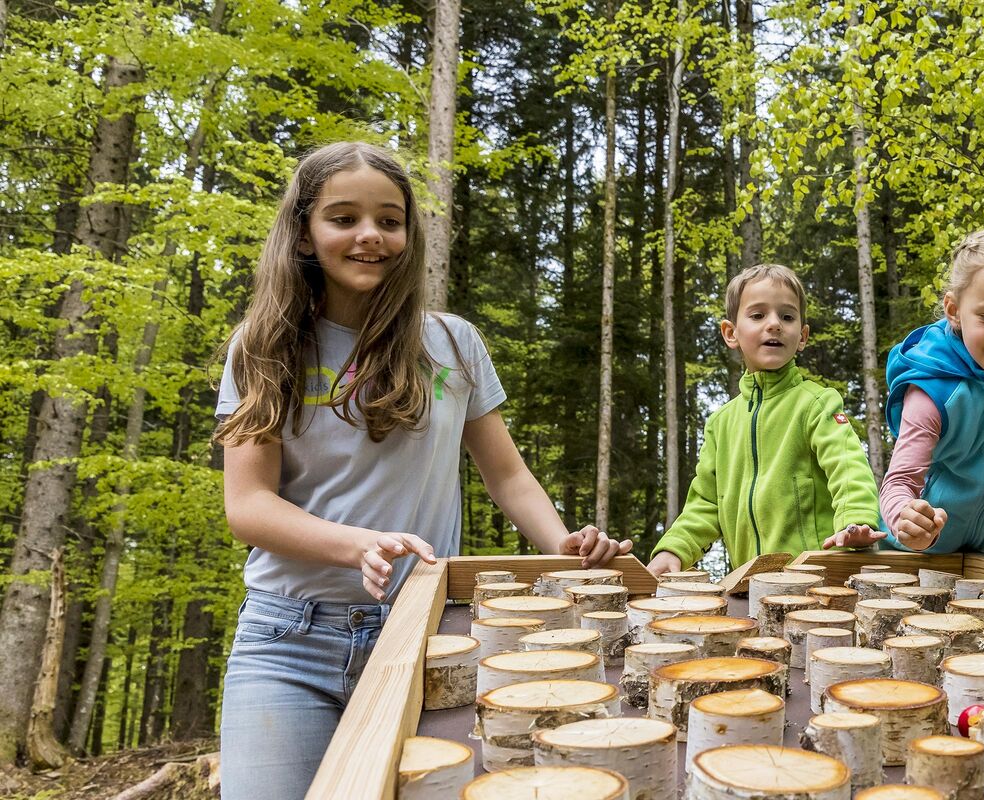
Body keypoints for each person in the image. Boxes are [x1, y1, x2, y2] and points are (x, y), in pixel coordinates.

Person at [214, 141, 629, 800]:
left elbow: (509, 477)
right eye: (344, 218)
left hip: (426, 637)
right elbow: (250, 506)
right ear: (303, 230)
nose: (370, 235)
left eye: (389, 219)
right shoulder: (261, 347)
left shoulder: (452, 344)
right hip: (287, 639)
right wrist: (359, 545)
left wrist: (563, 546)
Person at [830, 224, 984, 570]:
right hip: (913, 557)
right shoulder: (932, 388)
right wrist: (907, 521)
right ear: (953, 310)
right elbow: (899, 482)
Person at [646, 264, 884, 575]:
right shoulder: (721, 423)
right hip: (747, 586)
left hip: (816, 584)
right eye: (758, 315)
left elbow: (848, 465)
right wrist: (674, 549)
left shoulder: (817, 403)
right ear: (731, 333)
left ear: (802, 336)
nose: (774, 324)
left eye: (787, 316)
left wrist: (856, 519)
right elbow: (705, 503)